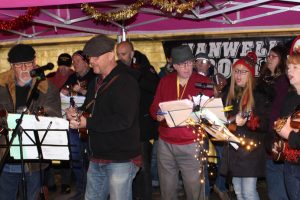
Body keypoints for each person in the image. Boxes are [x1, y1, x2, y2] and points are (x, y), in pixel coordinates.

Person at [66, 35, 141, 200]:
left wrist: (88, 122)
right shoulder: (95, 82)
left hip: (121, 158)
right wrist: (76, 113)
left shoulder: (126, 81)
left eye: (95, 57)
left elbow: (124, 120)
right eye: (89, 57)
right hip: (97, 156)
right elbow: (89, 109)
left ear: (110, 55)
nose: (91, 61)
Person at [150, 45, 213, 200]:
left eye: (189, 63)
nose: (186, 67)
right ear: (174, 66)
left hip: (191, 143)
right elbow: (154, 107)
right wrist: (157, 114)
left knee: (195, 191)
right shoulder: (165, 81)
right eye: (181, 64)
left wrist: (199, 109)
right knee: (167, 190)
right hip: (165, 144)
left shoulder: (203, 82)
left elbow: (211, 114)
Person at [0, 44, 61, 200]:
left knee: (32, 196)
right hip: (5, 154)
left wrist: (34, 117)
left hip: (34, 158)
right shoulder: (1, 85)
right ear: (11, 66)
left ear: (35, 61)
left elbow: (54, 115)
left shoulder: (47, 88)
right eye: (19, 65)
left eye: (29, 63)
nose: (25, 68)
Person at [220, 52, 269, 200]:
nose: (239, 75)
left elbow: (265, 124)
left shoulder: (258, 95)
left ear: (250, 75)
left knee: (248, 192)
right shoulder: (228, 96)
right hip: (234, 151)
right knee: (239, 192)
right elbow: (223, 121)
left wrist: (248, 121)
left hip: (251, 151)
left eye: (243, 71)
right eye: (236, 71)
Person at [116, 41, 160, 200]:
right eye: (118, 54)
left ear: (132, 54)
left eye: (124, 54)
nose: (120, 58)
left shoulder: (144, 69)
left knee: (143, 167)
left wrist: (134, 74)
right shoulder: (116, 69)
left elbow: (155, 86)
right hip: (123, 128)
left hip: (141, 127)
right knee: (125, 167)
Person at [194, 52, 230, 200]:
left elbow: (223, 103)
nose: (204, 64)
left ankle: (220, 186)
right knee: (201, 159)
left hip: (215, 123)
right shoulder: (190, 80)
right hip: (197, 126)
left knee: (222, 156)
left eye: (207, 62)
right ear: (195, 63)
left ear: (210, 65)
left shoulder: (215, 79)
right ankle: (206, 190)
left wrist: (220, 91)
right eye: (200, 61)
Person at [257, 45, 289, 200]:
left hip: (281, 140)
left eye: (273, 56)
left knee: (281, 189)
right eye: (268, 56)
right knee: (274, 190)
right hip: (267, 137)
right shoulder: (263, 81)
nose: (268, 59)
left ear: (282, 59)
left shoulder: (285, 81)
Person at [275, 52, 300, 200]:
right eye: (288, 67)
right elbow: (281, 129)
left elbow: (288, 133)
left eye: (295, 67)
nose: (289, 71)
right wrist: (277, 144)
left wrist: (288, 135)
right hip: (291, 165)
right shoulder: (289, 98)